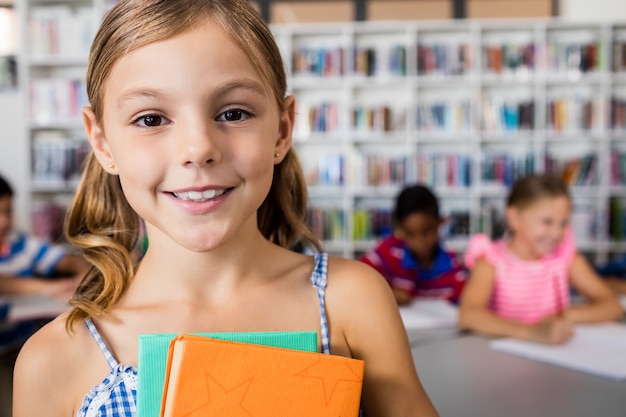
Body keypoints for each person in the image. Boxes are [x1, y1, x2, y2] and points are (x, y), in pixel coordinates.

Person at [13, 1, 440, 416]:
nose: (199, 149)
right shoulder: (53, 360)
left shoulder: (349, 302)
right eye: (151, 119)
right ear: (102, 143)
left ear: (282, 130)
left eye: (234, 113)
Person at [459, 173, 623, 345]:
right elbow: (469, 315)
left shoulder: (565, 257)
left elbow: (612, 306)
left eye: (563, 223)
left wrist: (564, 315)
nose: (557, 233)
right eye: (546, 222)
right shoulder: (491, 260)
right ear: (514, 218)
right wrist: (532, 332)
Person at [360, 184, 467, 305]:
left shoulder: (453, 267)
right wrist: (391, 294)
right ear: (400, 229)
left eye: (426, 231)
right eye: (410, 234)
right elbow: (356, 280)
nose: (419, 241)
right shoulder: (387, 253)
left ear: (440, 222)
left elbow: (466, 307)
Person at [0, 174, 85, 298]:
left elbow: (66, 260)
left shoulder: (21, 243)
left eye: (8, 211)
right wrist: (49, 287)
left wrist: (84, 276)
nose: (3, 221)